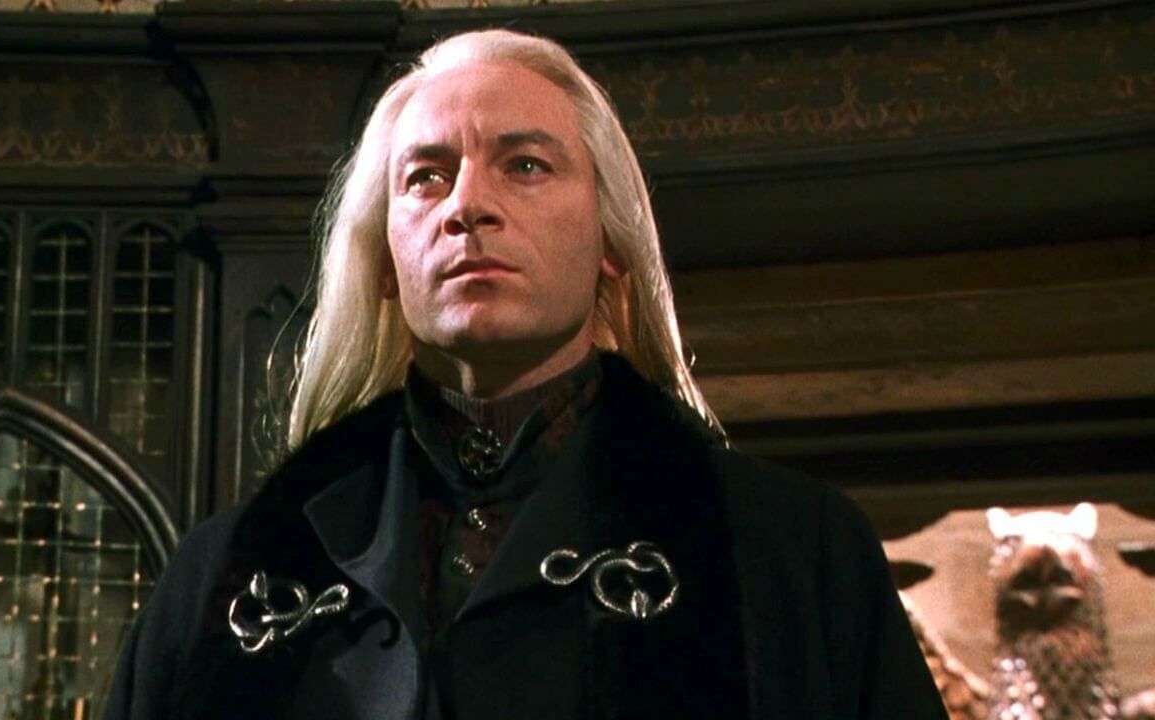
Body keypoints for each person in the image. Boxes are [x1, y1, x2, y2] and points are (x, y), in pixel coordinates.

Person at [104, 28, 947, 720]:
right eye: (426, 177)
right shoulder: (221, 581)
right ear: (385, 261)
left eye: (526, 165)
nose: (467, 205)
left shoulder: (794, 554)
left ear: (611, 243)